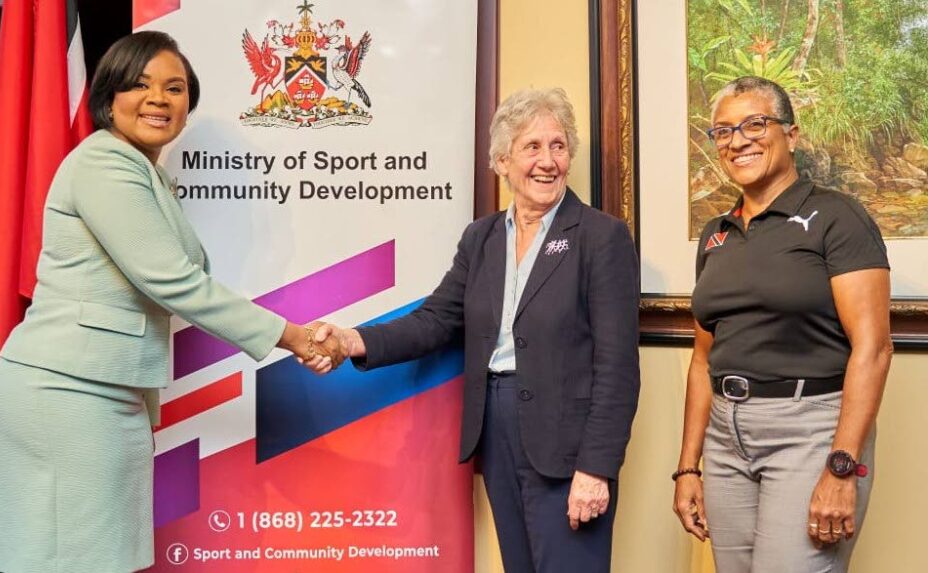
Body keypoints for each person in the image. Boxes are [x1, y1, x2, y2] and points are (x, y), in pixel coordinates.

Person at [0, 31, 342, 573]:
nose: (158, 99)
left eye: (174, 88)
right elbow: (172, 281)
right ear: (109, 97)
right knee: (61, 556)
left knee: (65, 552)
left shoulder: (146, 172)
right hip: (67, 388)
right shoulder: (105, 164)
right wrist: (295, 337)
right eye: (140, 85)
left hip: (99, 387)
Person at [315, 88, 640, 572]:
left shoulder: (601, 236)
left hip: (566, 441)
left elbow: (618, 369)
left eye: (558, 146)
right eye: (532, 147)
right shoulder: (482, 237)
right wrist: (351, 340)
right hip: (496, 428)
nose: (547, 161)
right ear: (502, 161)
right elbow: (436, 320)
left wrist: (596, 467)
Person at [672, 76, 892, 572]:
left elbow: (874, 349)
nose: (738, 141)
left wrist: (842, 467)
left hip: (809, 431)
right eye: (723, 131)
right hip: (726, 438)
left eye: (755, 124)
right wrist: (688, 467)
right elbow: (703, 359)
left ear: (790, 135)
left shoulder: (837, 217)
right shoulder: (715, 235)